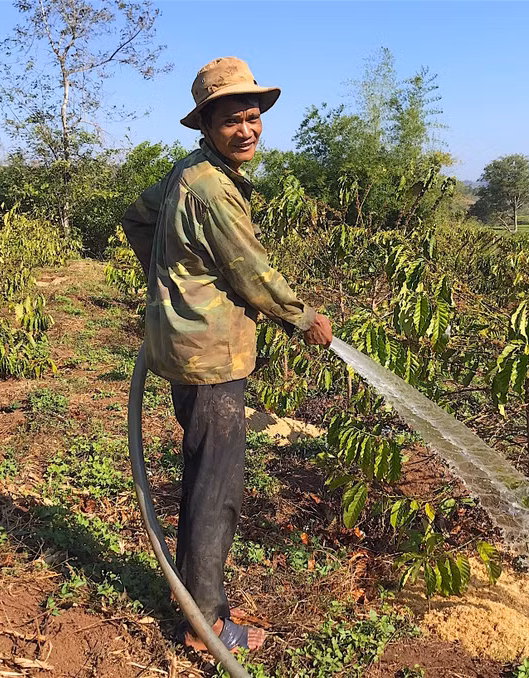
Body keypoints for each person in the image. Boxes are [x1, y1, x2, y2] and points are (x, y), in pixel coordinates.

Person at [122, 57, 332, 654]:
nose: (247, 129)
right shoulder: (212, 188)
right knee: (217, 485)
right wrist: (302, 317)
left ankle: (188, 592)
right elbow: (250, 270)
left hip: (185, 346)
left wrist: (174, 278)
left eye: (252, 117)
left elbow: (137, 217)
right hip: (211, 356)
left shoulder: (186, 174)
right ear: (206, 127)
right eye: (231, 120)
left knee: (201, 471)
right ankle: (207, 622)